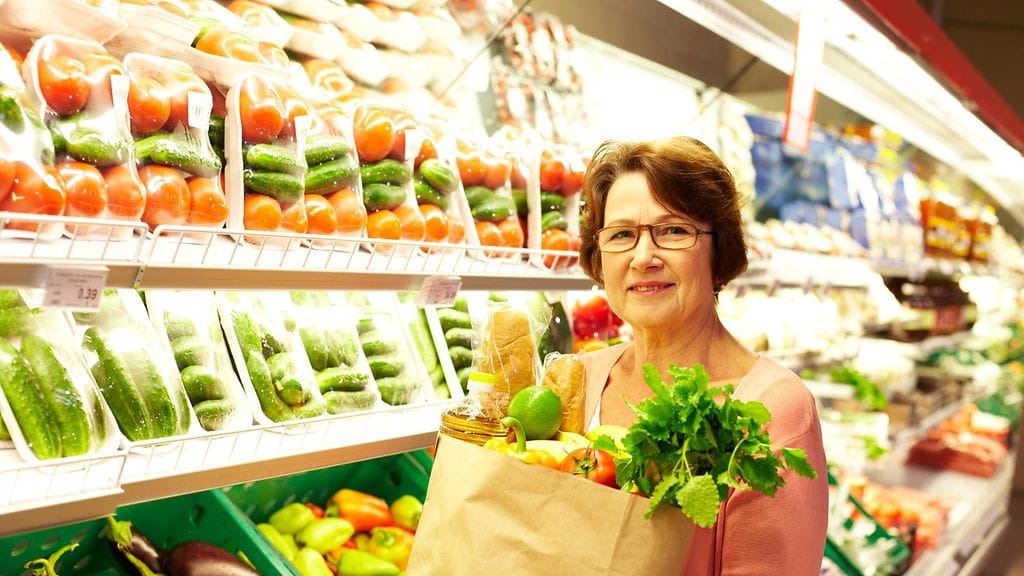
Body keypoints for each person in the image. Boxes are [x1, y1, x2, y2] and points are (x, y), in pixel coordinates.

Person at [577, 135, 828, 575]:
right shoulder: (580, 380)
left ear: (719, 248)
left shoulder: (773, 410)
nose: (643, 257)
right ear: (599, 258)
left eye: (673, 230)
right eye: (621, 235)